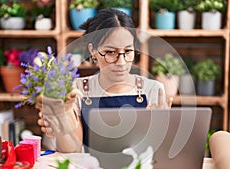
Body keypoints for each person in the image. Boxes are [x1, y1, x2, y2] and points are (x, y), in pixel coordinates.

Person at [37, 8, 173, 153]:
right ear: (93, 51)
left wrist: (161, 129)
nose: (121, 62)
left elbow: (162, 154)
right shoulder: (77, 90)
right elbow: (73, 151)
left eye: (128, 51)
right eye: (110, 52)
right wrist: (61, 120)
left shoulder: (153, 90)